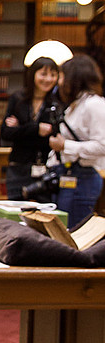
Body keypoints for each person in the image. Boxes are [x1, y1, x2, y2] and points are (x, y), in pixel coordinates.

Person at [47, 53, 105, 227]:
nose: (59, 82)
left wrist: (65, 145)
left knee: (74, 231)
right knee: (63, 228)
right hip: (68, 174)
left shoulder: (93, 104)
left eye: (62, 76)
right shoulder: (75, 105)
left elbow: (103, 145)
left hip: (84, 178)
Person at [0, 56, 59, 199]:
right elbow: (5, 133)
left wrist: (20, 129)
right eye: (43, 74)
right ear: (33, 75)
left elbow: (52, 139)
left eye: (53, 75)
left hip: (46, 169)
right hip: (18, 167)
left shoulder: (56, 103)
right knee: (14, 212)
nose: (48, 79)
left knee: (44, 213)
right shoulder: (18, 99)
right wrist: (36, 129)